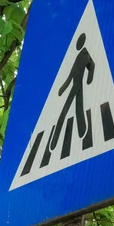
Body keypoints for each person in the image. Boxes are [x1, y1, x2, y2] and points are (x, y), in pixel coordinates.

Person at [41, 33, 95, 166]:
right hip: (76, 85)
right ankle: (81, 130)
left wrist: (89, 79)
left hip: (78, 85)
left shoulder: (86, 54)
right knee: (77, 108)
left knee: (67, 110)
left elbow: (91, 66)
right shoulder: (79, 56)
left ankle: (57, 139)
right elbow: (71, 74)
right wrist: (62, 88)